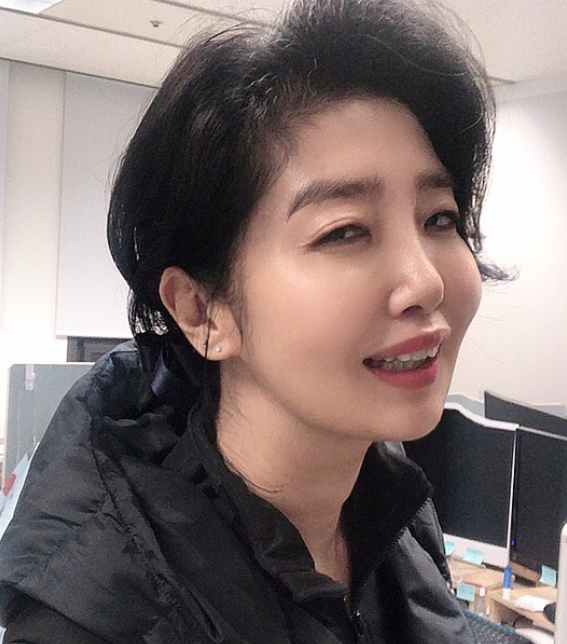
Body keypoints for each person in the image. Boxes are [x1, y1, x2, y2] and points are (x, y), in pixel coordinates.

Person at [0, 0, 504, 641]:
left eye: (439, 218)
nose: (427, 281)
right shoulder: (93, 620)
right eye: (345, 231)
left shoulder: (394, 510)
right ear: (201, 310)